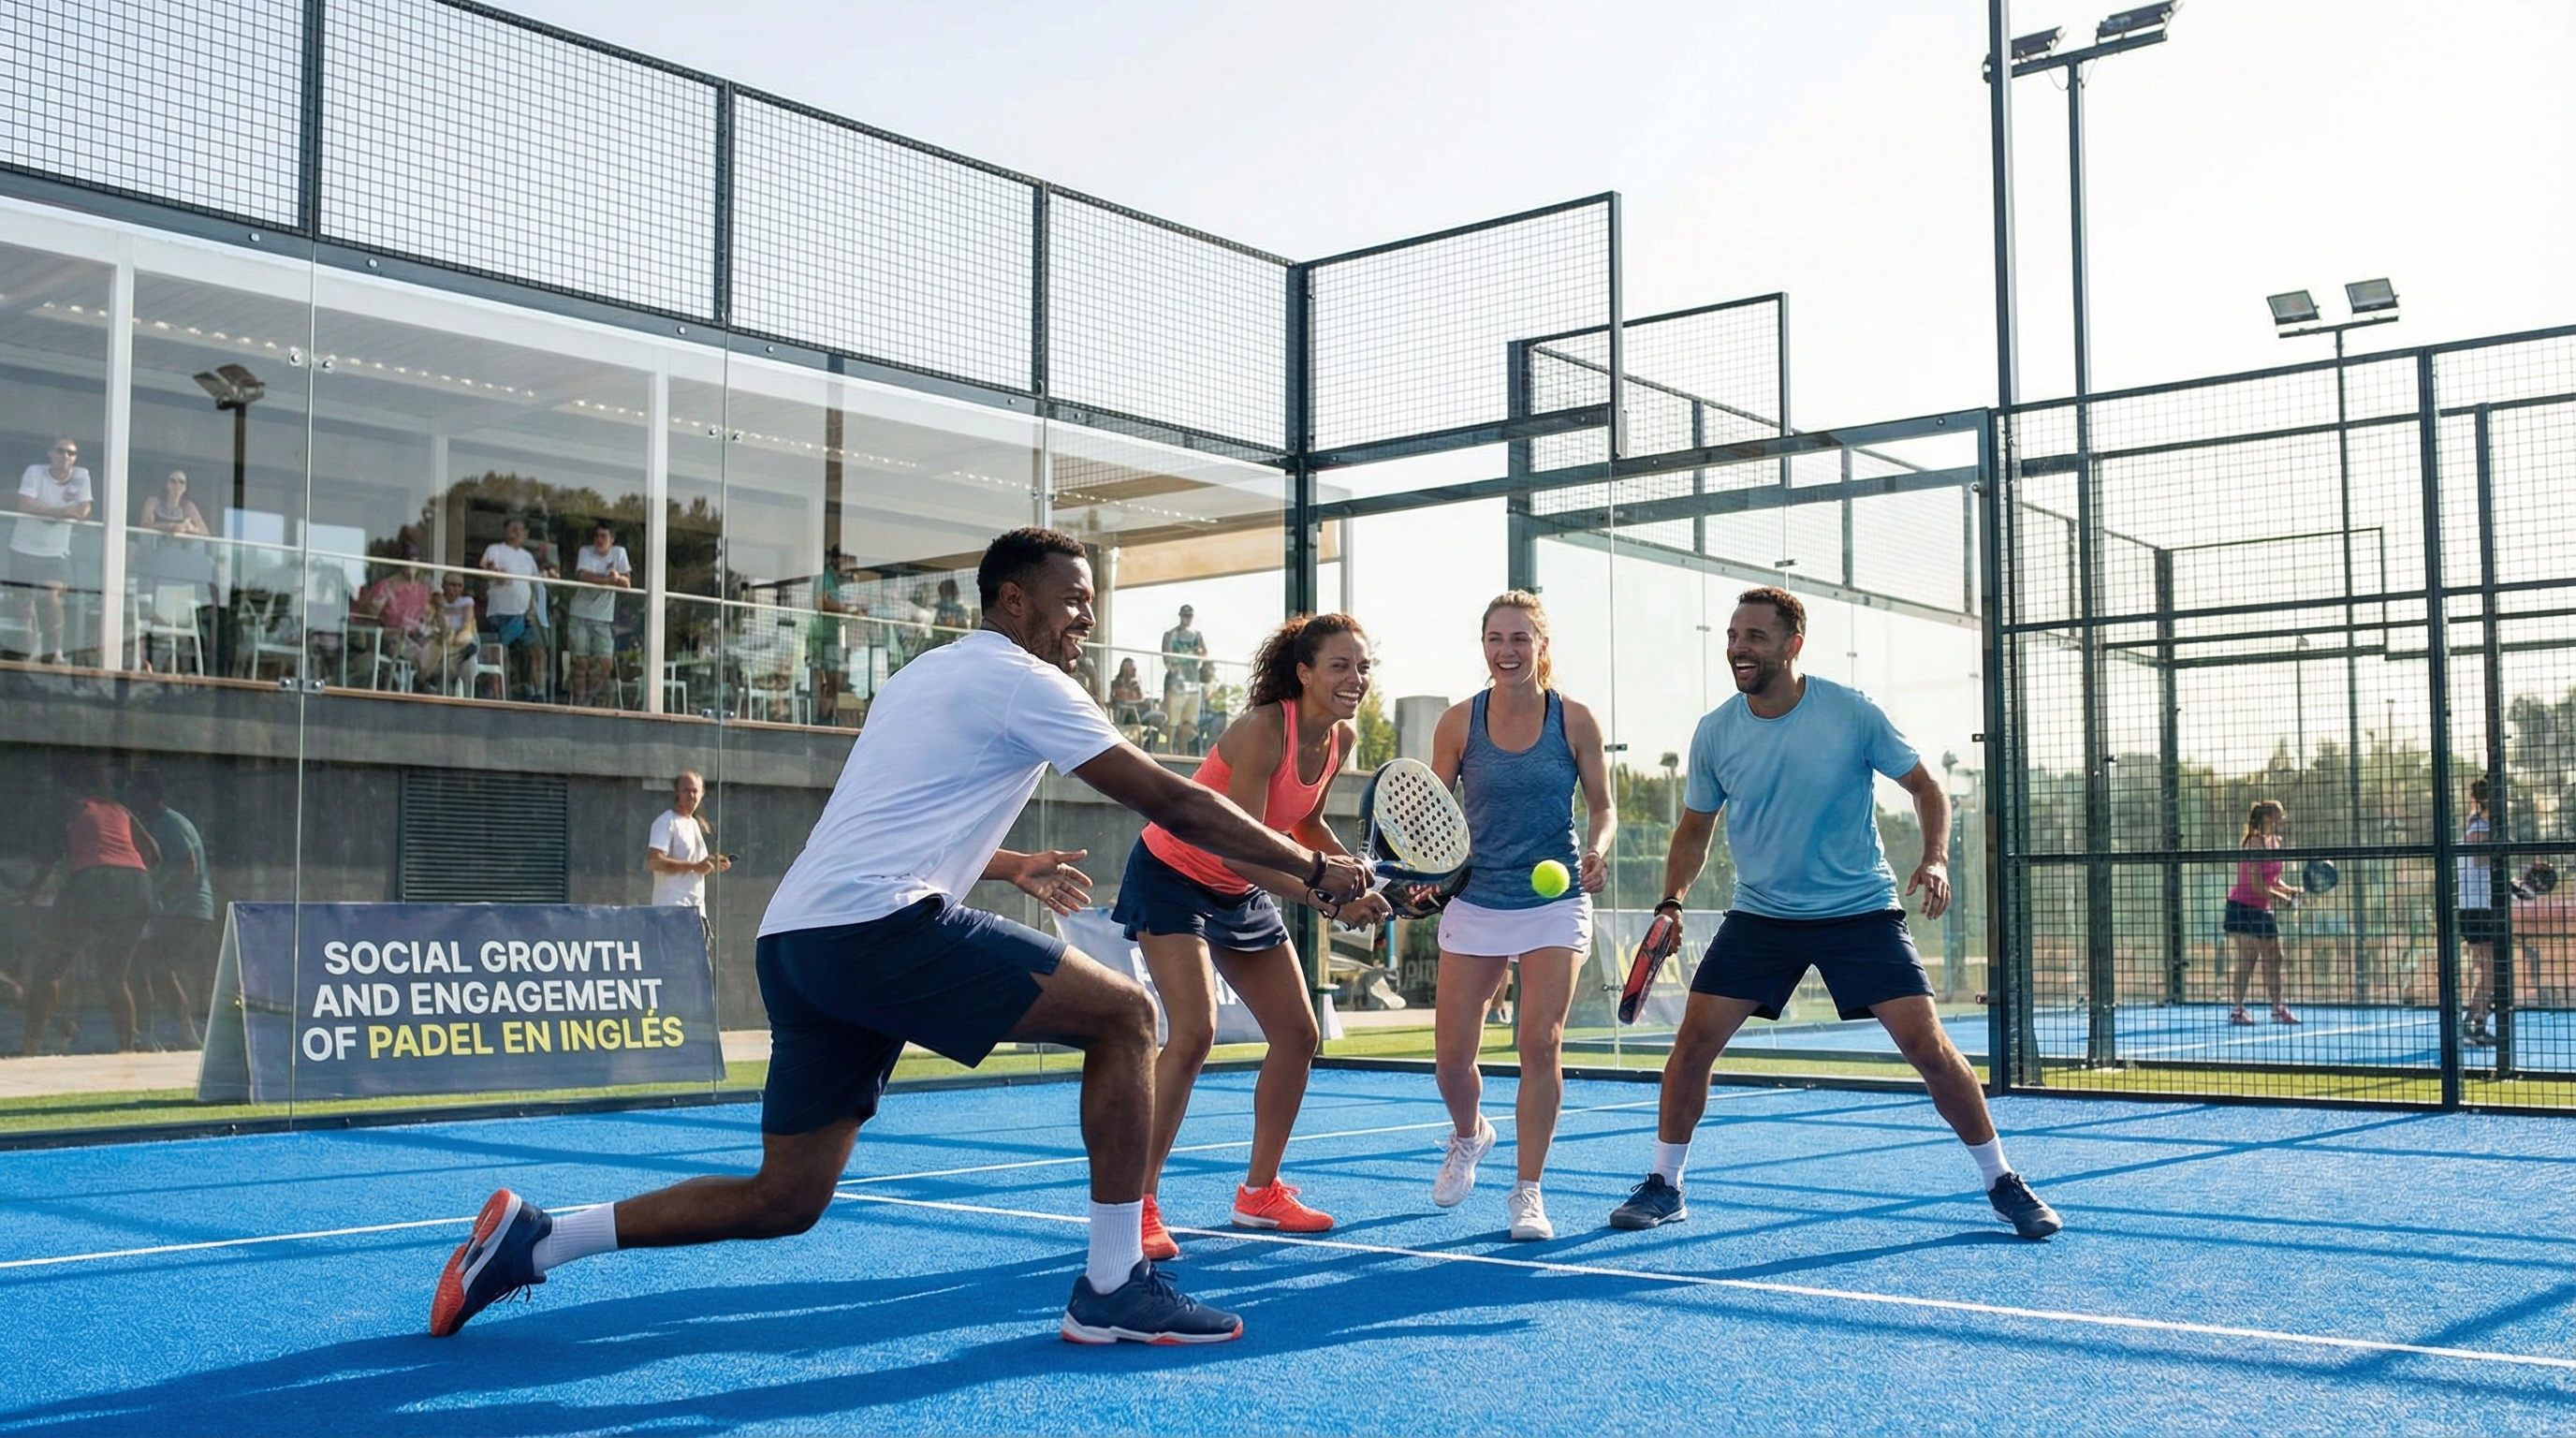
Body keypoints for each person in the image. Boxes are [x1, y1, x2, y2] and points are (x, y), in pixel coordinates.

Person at [430, 527, 1368, 1345]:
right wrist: (1313, 871)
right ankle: (1116, 1286)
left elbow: (893, 816)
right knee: (1126, 1017)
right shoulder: (1021, 677)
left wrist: (1008, 867)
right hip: (876, 927)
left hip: (799, 941)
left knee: (786, 1199)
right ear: (1013, 600)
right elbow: (1170, 800)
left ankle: (540, 1239)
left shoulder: (928, 673)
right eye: (1073, 603)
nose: (1085, 620)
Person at [1603, 587, 2062, 1240]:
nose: (1739, 648)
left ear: (1792, 646)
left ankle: (2002, 1181)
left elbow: (1927, 788)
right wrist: (1672, 901)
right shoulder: (1715, 732)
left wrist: (1935, 858)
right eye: (1733, 636)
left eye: (1755, 637)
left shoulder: (1850, 713)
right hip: (1761, 914)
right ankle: (1665, 1185)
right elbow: (1695, 828)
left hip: (1858, 911)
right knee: (1693, 1046)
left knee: (1928, 1048)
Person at [1114, 612, 1392, 1260]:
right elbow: (1234, 844)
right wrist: (1327, 895)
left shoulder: (1342, 739)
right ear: (1303, 673)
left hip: (1241, 890)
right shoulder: (1264, 730)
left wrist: (1354, 882)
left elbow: (1305, 823)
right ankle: (1137, 1204)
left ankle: (1259, 1194)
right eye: (1340, 665)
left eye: (1363, 666)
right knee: (1194, 1034)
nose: (1355, 678)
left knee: (1298, 1035)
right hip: (1173, 873)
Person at [1424, 592, 1616, 1241]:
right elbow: (1430, 811)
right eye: (1495, 639)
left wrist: (1597, 850)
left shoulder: (1575, 721)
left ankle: (1527, 1193)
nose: (1507, 651)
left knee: (1541, 1043)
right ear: (1484, 648)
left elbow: (1604, 807)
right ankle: (1468, 1134)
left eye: (1520, 639)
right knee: (1452, 1059)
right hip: (1476, 898)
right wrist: (1426, 875)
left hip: (1554, 902)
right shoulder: (1457, 722)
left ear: (1541, 646)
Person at [21, 760, 159, 1055]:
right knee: (114, 975)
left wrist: (31, 891)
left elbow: (51, 859)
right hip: (137, 885)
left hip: (92, 881)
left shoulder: (71, 808)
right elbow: (154, 853)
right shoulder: (121, 810)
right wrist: (136, 877)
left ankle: (29, 1049)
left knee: (50, 970)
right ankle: (127, 1051)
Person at [132, 770, 212, 1050]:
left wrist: (161, 898)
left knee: (150, 968)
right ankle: (185, 1036)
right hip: (182, 911)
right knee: (158, 970)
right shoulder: (161, 823)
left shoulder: (168, 824)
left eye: (136, 793)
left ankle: (176, 1035)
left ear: (148, 795)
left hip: (186, 911)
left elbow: (188, 865)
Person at [11, 437, 93, 665]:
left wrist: (46, 512)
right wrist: (65, 512)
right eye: (61, 451)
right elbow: (25, 506)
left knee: (51, 597)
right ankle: (24, 655)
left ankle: (54, 652)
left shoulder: (81, 475)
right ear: (50, 454)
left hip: (56, 552)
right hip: (23, 548)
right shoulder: (35, 472)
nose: (66, 457)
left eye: (71, 453)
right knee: (24, 604)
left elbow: (83, 510)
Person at [2223, 800, 2301, 1027]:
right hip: (2241, 907)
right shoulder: (2253, 843)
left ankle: (2277, 1008)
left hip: (2262, 908)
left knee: (2275, 957)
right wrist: (2284, 899)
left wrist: (2291, 890)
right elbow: (2257, 885)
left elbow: (2273, 879)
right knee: (2248, 957)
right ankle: (2238, 1009)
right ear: (2267, 818)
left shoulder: (2276, 842)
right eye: (2279, 814)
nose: (2283, 818)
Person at [645, 770, 730, 954]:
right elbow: (654, 862)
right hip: (673, 910)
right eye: (686, 790)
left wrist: (711, 863)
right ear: (677, 792)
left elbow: (696, 866)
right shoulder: (666, 822)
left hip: (697, 911)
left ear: (702, 793)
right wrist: (695, 866)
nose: (691, 795)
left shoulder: (694, 824)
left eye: (695, 791)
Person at [477, 518, 552, 699]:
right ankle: (502, 696)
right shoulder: (494, 549)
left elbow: (536, 583)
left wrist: (535, 606)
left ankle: (539, 693)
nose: (517, 532)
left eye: (521, 529)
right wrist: (493, 572)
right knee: (502, 654)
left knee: (537, 651)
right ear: (505, 531)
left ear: (526, 534)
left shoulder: (527, 557)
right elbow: (483, 569)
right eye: (513, 528)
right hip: (501, 612)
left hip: (525, 613)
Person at [567, 521, 632, 708]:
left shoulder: (619, 553)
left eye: (604, 536)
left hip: (603, 619)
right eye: (597, 536)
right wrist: (610, 580)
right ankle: (579, 703)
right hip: (579, 615)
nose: (599, 540)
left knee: (605, 666)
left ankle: (588, 699)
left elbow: (627, 583)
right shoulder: (585, 551)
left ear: (612, 539)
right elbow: (585, 577)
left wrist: (618, 578)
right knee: (581, 663)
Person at [2461, 778, 2503, 1048]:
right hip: (2477, 907)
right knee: (2494, 969)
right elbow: (2481, 858)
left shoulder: (2477, 822)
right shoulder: (2479, 827)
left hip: (2480, 904)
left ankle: (2477, 1024)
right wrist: (2504, 852)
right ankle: (2472, 1022)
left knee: (2486, 967)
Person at [359, 554, 438, 690]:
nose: (411, 567)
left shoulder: (423, 589)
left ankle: (427, 682)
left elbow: (429, 615)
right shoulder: (386, 586)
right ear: (401, 564)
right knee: (420, 653)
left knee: (438, 647)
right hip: (392, 639)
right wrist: (378, 604)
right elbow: (370, 615)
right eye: (408, 562)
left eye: (415, 563)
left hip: (419, 637)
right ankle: (424, 683)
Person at [1162, 604, 1208, 752]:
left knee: (1190, 720)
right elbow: (1167, 657)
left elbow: (1205, 653)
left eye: (1190, 615)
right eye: (1185, 615)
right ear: (1180, 615)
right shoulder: (1171, 634)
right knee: (1173, 719)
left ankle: (1183, 750)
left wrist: (1198, 654)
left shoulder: (1197, 634)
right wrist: (1174, 667)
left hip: (1193, 682)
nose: (1187, 618)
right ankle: (1169, 750)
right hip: (1177, 682)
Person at [431, 570, 478, 692]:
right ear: (444, 585)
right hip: (444, 644)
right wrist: (440, 607)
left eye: (459, 586)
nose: (456, 589)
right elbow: (441, 626)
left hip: (463, 642)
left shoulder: (467, 601)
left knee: (467, 659)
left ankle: (469, 700)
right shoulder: (437, 602)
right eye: (452, 585)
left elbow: (467, 624)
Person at [138, 470, 208, 537]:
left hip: (180, 548)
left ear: (186, 487)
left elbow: (205, 532)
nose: (177, 485)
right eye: (173, 481)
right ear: (166, 484)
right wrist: (169, 526)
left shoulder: (189, 506)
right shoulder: (153, 502)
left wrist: (189, 528)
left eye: (181, 482)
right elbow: (144, 525)